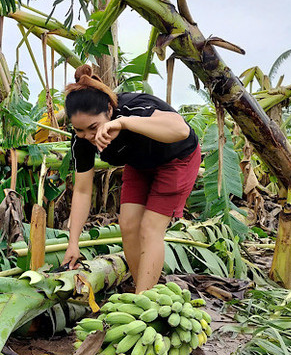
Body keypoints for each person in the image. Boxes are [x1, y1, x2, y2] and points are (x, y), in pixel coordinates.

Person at [60, 64, 201, 293]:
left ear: (108, 110)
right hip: (140, 165)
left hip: (176, 159)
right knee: (128, 225)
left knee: (150, 229)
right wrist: (73, 243)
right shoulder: (82, 141)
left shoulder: (132, 107)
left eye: (93, 127)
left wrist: (124, 123)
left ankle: (142, 299)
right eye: (80, 130)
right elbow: (83, 191)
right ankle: (144, 293)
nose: (88, 136)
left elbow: (181, 129)